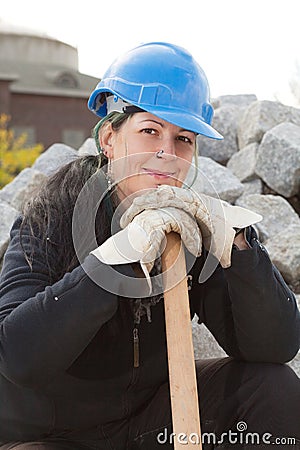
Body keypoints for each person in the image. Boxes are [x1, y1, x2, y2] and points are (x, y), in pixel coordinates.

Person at [0, 42, 299, 450]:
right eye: (149, 131)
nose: (167, 153)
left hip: (150, 424)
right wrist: (115, 261)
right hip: (51, 435)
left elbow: (274, 347)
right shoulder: (51, 216)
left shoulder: (188, 231)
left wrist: (241, 250)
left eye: (184, 140)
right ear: (109, 136)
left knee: (270, 387)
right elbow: (17, 356)